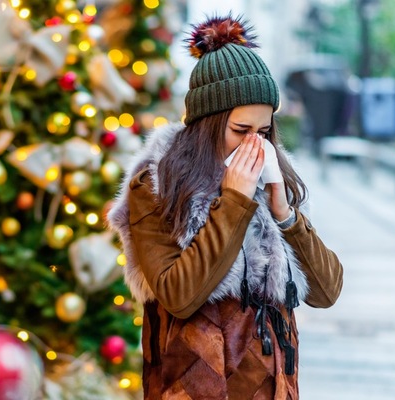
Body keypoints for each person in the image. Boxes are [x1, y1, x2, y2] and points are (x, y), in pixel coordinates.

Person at [107, 15, 343, 399]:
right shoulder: (157, 185)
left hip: (273, 383)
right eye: (241, 131)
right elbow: (179, 295)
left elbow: (326, 291)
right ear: (207, 122)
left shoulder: (273, 179)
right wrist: (232, 201)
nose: (255, 146)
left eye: (264, 132)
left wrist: (285, 215)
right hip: (191, 383)